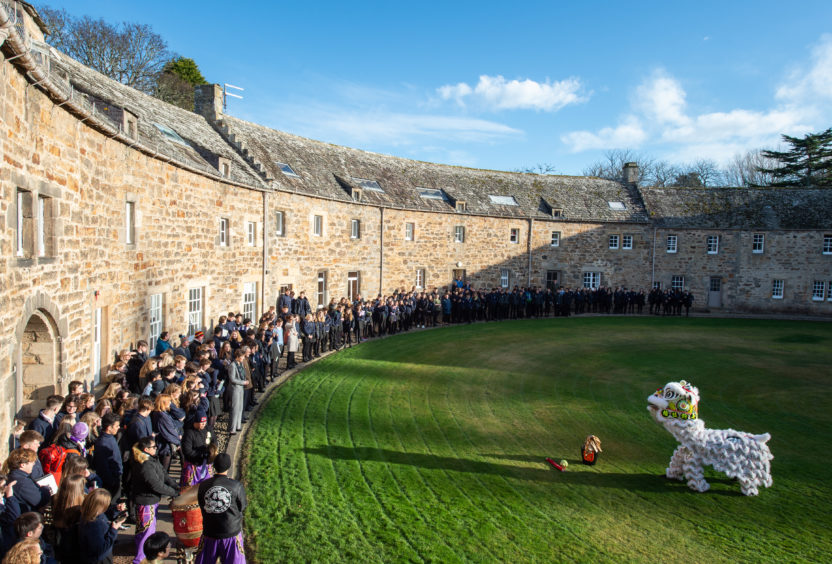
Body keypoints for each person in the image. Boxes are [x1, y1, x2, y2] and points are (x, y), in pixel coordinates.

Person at [130, 437, 179, 564]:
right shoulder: (145, 465)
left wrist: (175, 486)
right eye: (153, 447)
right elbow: (156, 484)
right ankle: (140, 559)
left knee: (143, 530)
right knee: (147, 533)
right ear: (146, 449)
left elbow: (164, 476)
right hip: (146, 502)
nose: (156, 448)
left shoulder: (151, 460)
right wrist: (173, 493)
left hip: (150, 501)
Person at [196, 453, 247, 564]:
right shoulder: (236, 486)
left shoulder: (203, 486)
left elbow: (201, 504)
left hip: (210, 532)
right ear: (228, 466)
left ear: (214, 466)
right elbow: (242, 506)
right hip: (231, 534)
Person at [77, 489, 127, 564]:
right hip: (99, 560)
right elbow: (100, 550)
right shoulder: (94, 525)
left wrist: (116, 509)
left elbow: (104, 515)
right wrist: (113, 530)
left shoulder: (88, 514)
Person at [6, 449, 50, 514]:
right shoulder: (22, 482)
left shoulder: (13, 476)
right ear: (22, 465)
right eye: (31, 462)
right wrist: (46, 489)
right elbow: (39, 500)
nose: (34, 464)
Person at [180, 410, 214, 487]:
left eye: (205, 423)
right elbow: (187, 451)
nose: (204, 425)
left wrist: (212, 451)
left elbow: (214, 440)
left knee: (206, 487)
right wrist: (201, 454)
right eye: (202, 423)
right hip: (193, 465)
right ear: (196, 422)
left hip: (205, 465)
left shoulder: (208, 429)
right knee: (189, 489)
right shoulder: (189, 433)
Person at [93, 413, 122, 501]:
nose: (118, 427)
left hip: (116, 476)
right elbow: (103, 467)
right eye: (116, 426)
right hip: (110, 481)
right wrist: (111, 481)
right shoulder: (103, 443)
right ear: (109, 427)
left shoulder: (110, 438)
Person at [226, 350, 249, 435]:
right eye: (242, 356)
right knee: (234, 408)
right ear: (238, 357)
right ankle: (232, 428)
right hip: (234, 389)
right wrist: (243, 382)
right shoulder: (232, 365)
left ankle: (238, 425)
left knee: (240, 407)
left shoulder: (241, 364)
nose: (243, 358)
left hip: (241, 388)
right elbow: (232, 379)